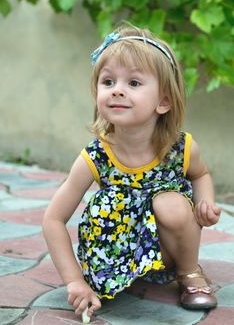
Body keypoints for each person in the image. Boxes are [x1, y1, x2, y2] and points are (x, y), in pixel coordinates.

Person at [42, 24, 221, 318]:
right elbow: (53, 219)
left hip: (165, 249)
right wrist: (75, 281)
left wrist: (206, 202)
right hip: (119, 250)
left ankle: (190, 273)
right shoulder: (96, 156)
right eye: (108, 81)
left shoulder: (180, 147)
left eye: (134, 83)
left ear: (163, 101)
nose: (118, 91)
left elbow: (200, 175)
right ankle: (121, 275)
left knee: (170, 203)